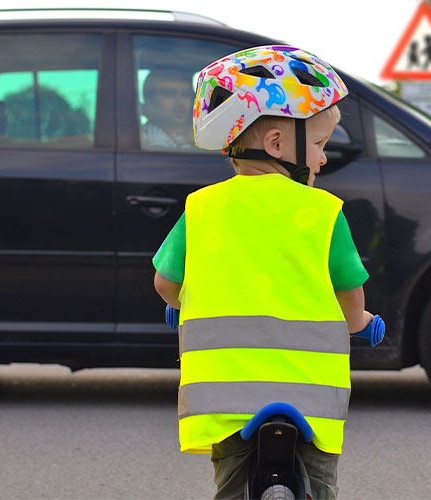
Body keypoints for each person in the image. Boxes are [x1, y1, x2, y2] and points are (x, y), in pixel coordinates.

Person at [153, 45, 374, 500]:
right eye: (318, 144)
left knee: (232, 487)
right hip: (311, 398)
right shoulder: (323, 212)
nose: (323, 158)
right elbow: (349, 290)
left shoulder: (200, 209)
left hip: (223, 399)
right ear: (277, 144)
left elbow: (166, 284)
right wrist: (360, 324)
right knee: (318, 484)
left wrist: (183, 304)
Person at [140, 69, 195, 150]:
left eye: (186, 95)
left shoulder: (179, 136)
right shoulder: (151, 139)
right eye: (169, 94)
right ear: (150, 101)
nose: (180, 103)